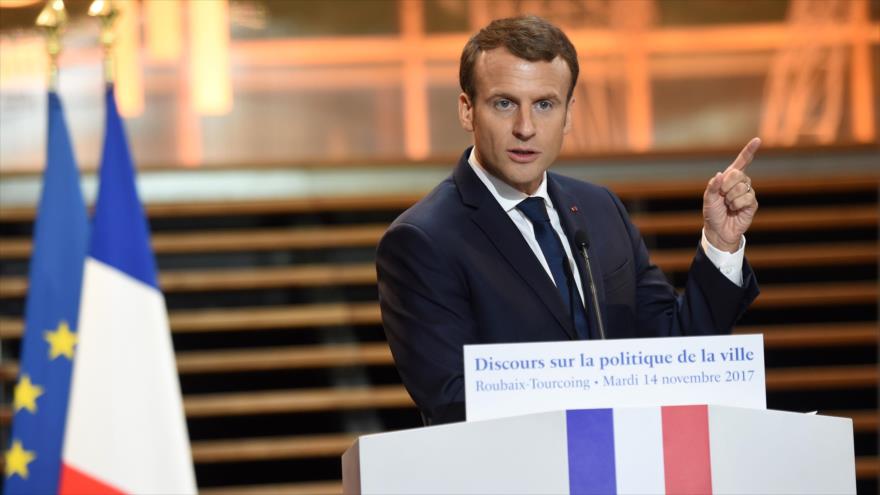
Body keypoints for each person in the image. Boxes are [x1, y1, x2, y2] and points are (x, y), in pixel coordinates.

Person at [376, 15, 760, 425]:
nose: (525, 128)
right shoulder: (423, 240)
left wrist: (720, 244)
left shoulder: (600, 209)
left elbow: (677, 354)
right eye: (504, 104)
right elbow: (452, 401)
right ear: (467, 111)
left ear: (569, 114)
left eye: (544, 104)